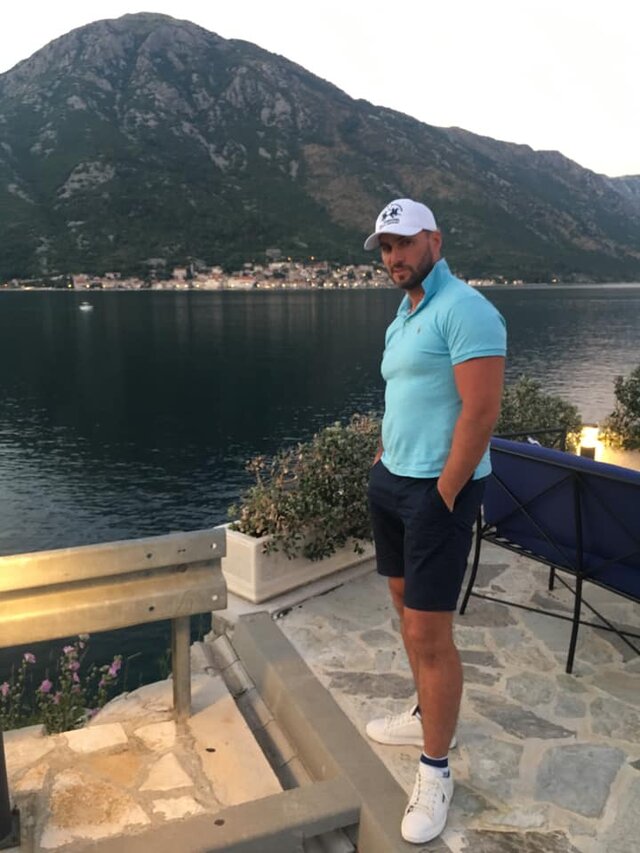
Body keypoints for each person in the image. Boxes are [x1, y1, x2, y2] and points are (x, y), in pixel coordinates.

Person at [363, 199, 506, 844]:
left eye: (403, 243)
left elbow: (480, 412)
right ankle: (424, 712)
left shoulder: (467, 309)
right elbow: (403, 394)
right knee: (404, 610)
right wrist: (384, 457)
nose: (393, 257)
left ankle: (436, 769)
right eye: (385, 247)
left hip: (437, 494)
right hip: (392, 483)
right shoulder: (404, 314)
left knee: (429, 632)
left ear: (434, 241)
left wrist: (445, 492)